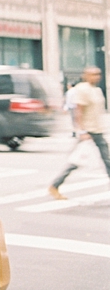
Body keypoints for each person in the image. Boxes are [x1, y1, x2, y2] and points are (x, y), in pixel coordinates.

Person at [49, 66, 110, 199]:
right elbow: (78, 111)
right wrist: (81, 131)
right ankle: (55, 185)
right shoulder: (82, 89)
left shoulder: (97, 90)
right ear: (85, 76)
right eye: (93, 74)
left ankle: (55, 186)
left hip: (97, 131)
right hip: (88, 132)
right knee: (76, 161)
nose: (96, 77)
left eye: (98, 74)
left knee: (107, 161)